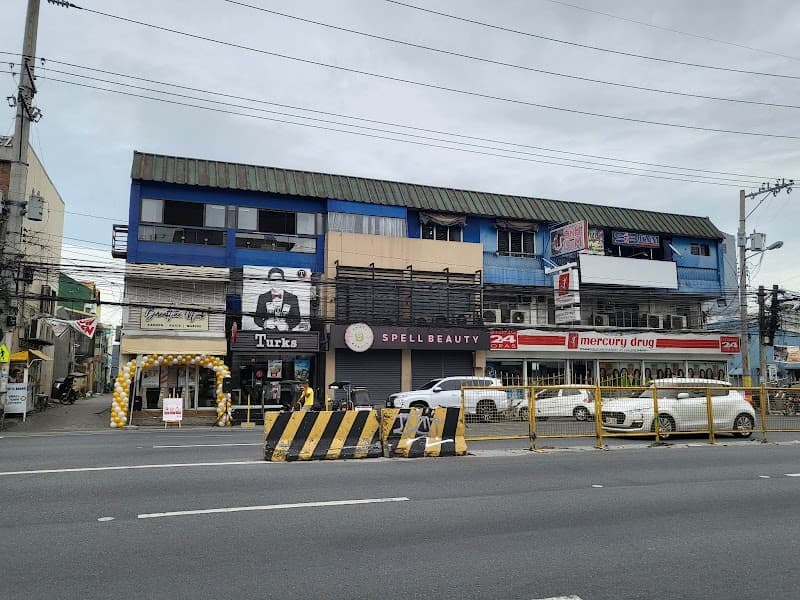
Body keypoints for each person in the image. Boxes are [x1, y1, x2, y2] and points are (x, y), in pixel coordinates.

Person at [253, 267, 302, 331]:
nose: (276, 282)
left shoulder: (293, 298)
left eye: (278, 279)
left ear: (283, 281)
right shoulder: (262, 297)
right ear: (269, 282)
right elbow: (257, 319)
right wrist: (265, 323)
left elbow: (297, 319)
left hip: (287, 336)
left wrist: (288, 325)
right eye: (273, 280)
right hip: (266, 335)